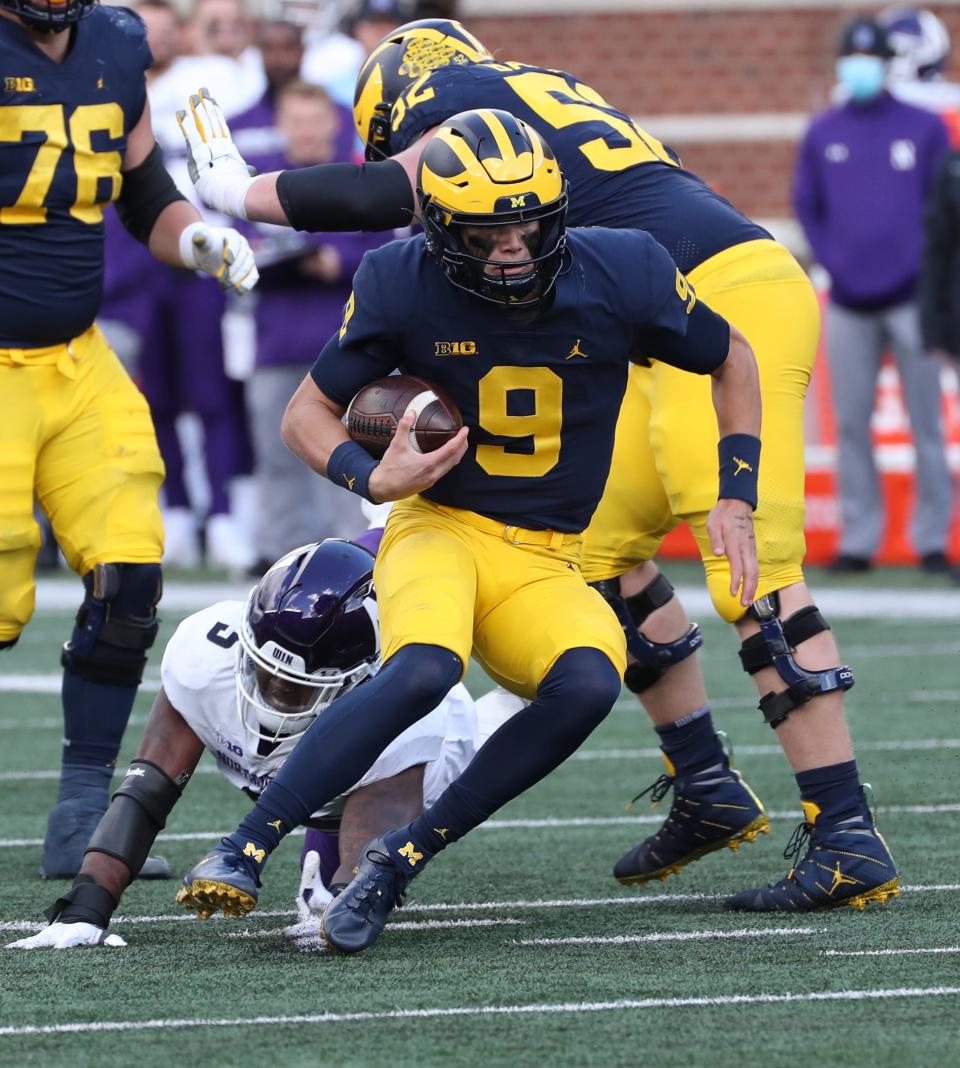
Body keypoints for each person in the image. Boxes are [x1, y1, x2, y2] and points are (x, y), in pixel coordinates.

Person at [176, 18, 900, 914]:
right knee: (596, 543)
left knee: (751, 559)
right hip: (664, 289)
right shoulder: (528, 91)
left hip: (714, 292)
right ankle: (708, 782)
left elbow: (382, 192)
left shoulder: (456, 102)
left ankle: (846, 833)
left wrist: (235, 189)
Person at [0, 0, 259, 880]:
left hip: (77, 361)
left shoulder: (114, 42)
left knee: (130, 577)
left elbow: (144, 193)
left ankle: (80, 817)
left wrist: (197, 237)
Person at [7, 536, 522, 950]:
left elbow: (365, 875)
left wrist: (339, 903)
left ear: (362, 681)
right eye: (264, 672)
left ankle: (509, 701)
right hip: (314, 777)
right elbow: (146, 792)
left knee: (490, 739)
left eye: (297, 688)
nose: (275, 695)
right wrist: (85, 908)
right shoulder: (206, 655)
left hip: (431, 758)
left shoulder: (407, 713)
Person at [794, 16, 951, 575]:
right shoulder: (823, 132)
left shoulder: (925, 128)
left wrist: (928, 274)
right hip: (848, 301)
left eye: (869, 58)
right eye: (851, 57)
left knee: (926, 421)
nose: (858, 67)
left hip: (913, 298)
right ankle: (859, 539)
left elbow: (944, 207)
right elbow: (807, 208)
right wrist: (834, 262)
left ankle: (934, 540)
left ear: (887, 65)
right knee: (852, 422)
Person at [240, 81, 386, 566]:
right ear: (280, 125)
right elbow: (238, 252)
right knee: (276, 454)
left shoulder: (360, 183)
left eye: (313, 120)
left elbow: (387, 253)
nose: (304, 131)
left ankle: (350, 556)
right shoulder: (260, 187)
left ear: (331, 122)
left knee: (347, 455)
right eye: (295, 121)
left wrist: (334, 261)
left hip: (346, 344)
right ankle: (278, 559)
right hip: (276, 342)